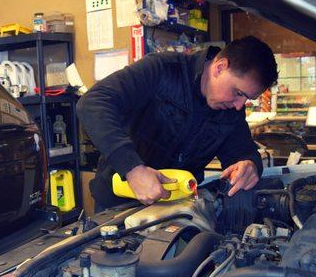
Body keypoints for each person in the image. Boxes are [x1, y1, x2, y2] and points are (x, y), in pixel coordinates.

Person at [77, 36, 278, 211]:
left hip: (179, 209)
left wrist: (250, 165)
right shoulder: (162, 69)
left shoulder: (230, 109)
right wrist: (133, 168)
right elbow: (93, 103)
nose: (238, 105)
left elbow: (242, 153)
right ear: (220, 67)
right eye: (238, 93)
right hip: (119, 206)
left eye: (247, 99)